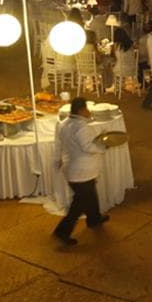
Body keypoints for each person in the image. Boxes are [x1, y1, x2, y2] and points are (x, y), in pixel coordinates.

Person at [52, 98, 112, 246]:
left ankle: (94, 218)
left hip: (71, 167)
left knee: (90, 194)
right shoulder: (81, 127)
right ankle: (62, 231)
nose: (88, 111)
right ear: (80, 110)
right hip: (82, 170)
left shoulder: (63, 124)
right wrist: (103, 147)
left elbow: (58, 144)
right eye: (86, 109)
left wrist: (58, 160)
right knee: (79, 203)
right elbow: (88, 146)